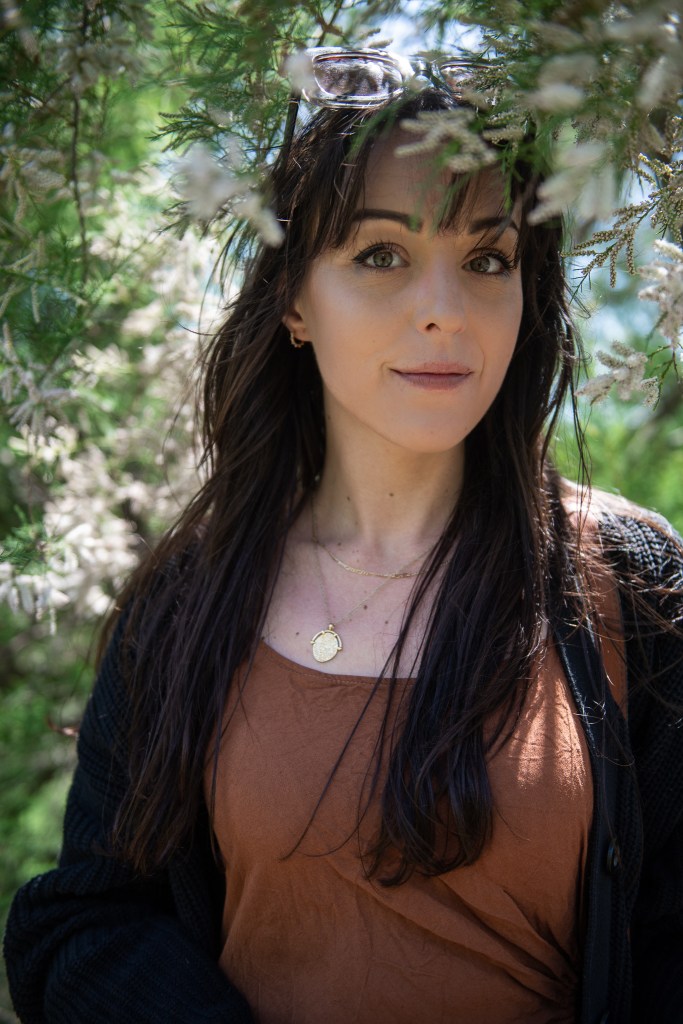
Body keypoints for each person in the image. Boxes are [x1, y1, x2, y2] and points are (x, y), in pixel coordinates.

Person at [4, 49, 683, 1024]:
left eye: (486, 258)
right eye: (379, 255)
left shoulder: (631, 581)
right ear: (291, 301)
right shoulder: (186, 602)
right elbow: (84, 921)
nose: (443, 309)